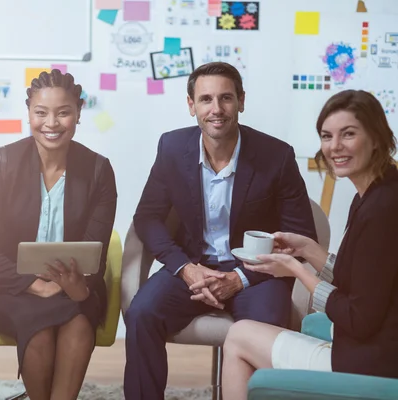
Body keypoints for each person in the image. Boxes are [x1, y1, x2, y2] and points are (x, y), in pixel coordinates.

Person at [124, 62, 318, 399]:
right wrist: (185, 269)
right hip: (193, 265)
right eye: (206, 99)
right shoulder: (171, 148)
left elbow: (300, 232)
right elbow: (148, 217)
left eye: (226, 98)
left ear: (241, 101)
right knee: (142, 315)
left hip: (256, 273)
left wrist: (239, 279)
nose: (216, 109)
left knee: (268, 327)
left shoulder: (277, 156)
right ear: (191, 105)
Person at [222, 89, 398, 399]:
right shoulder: (375, 193)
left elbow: (358, 318)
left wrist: (293, 269)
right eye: (327, 136)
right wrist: (305, 250)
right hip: (366, 349)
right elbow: (359, 281)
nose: (335, 146)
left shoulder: (382, 211)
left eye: (348, 134)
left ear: (376, 138)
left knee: (238, 337)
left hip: (368, 363)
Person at [0, 69, 117, 400]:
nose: (52, 123)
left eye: (63, 112)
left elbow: (98, 249)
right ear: (29, 114)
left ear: (78, 114)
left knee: (78, 324)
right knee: (39, 329)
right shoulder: (2, 162)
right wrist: (34, 285)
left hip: (74, 285)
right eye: (41, 112)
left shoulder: (98, 170)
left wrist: (80, 288)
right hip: (8, 286)